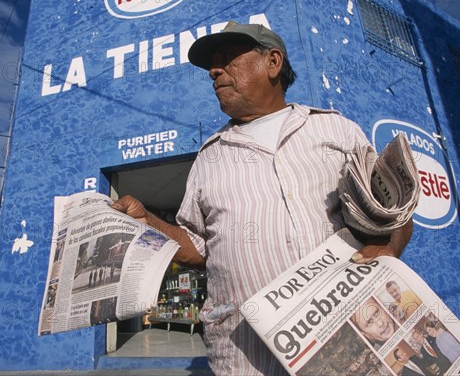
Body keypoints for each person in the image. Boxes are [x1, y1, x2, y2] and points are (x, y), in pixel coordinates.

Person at [112, 22, 414, 375]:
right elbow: (197, 246)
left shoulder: (335, 130)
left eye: (227, 59)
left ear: (272, 62)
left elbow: (391, 207)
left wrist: (388, 249)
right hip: (245, 355)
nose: (213, 71)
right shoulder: (209, 157)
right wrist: (147, 222)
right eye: (212, 64)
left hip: (343, 345)